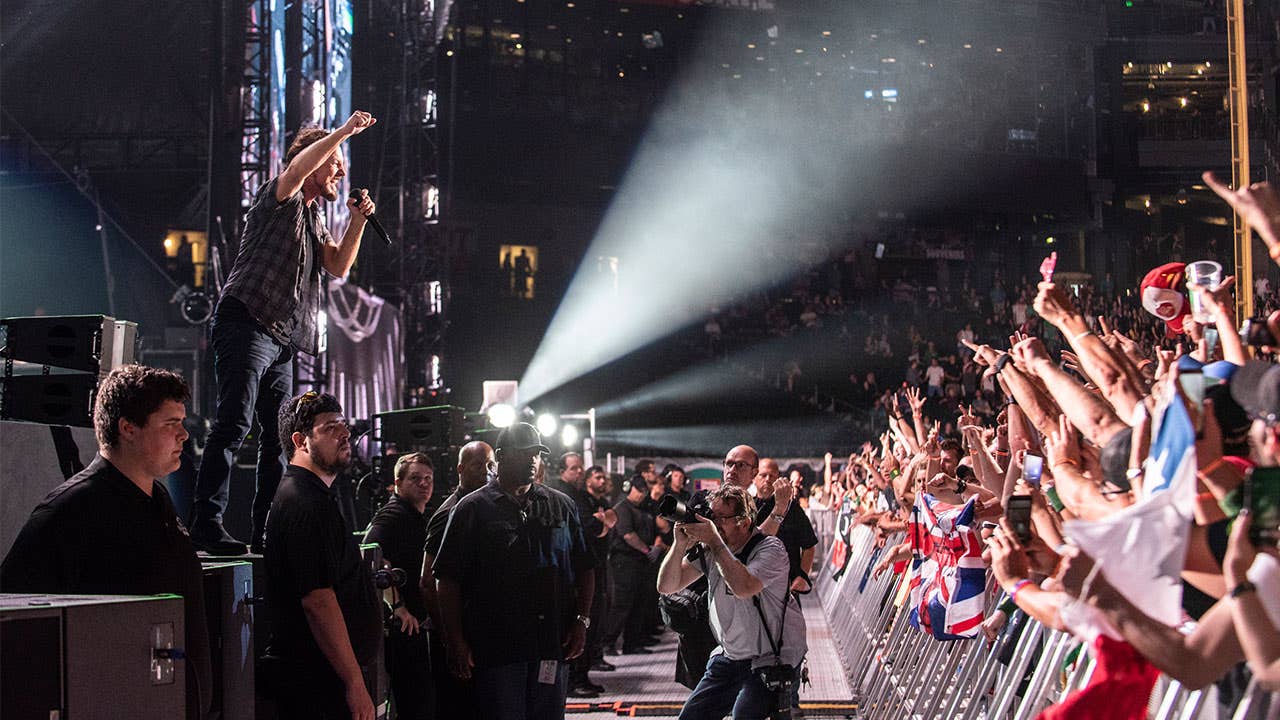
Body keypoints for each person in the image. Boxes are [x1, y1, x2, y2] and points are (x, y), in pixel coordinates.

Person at [189, 110, 379, 555]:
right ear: (316, 159)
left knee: (280, 442)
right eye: (336, 163)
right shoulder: (282, 194)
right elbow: (296, 169)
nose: (340, 172)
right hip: (246, 319)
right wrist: (345, 131)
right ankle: (206, 523)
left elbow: (338, 266)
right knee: (234, 421)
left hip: (281, 339)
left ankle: (265, 533)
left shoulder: (314, 220)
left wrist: (357, 221)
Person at [0, 365, 213, 720]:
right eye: (170, 423)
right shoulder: (70, 510)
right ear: (128, 428)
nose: (183, 436)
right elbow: (17, 619)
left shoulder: (156, 498)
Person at [432, 423, 596, 720]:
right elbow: (447, 580)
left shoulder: (561, 505)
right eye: (524, 454)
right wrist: (455, 641)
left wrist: (582, 621)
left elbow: (586, 568)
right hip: (498, 649)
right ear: (501, 456)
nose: (532, 461)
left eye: (535, 454)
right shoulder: (472, 509)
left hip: (550, 644)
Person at [263, 391, 382, 720]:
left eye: (343, 424)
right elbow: (318, 600)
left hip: (324, 682)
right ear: (301, 440)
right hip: (318, 688)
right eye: (331, 427)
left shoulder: (312, 496)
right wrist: (355, 683)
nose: (345, 434)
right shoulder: (305, 503)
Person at [657, 483, 807, 720]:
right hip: (732, 654)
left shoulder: (771, 549)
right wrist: (679, 545)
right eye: (711, 517)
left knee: (744, 715)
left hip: (769, 658)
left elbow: (744, 587)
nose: (714, 525)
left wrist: (715, 542)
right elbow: (666, 586)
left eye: (720, 518)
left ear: (744, 522)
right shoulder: (712, 549)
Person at [420, 441, 494, 718]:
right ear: (461, 469)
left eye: (490, 465)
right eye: (479, 466)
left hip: (474, 631)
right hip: (453, 636)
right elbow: (428, 582)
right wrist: (452, 641)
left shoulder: (481, 507)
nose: (486, 472)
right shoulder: (449, 513)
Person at [362, 452, 436, 719]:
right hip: (403, 632)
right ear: (398, 482)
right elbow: (369, 554)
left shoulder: (416, 517)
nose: (424, 484)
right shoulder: (392, 516)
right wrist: (398, 605)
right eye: (415, 478)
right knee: (416, 706)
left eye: (428, 478)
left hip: (416, 629)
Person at [605, 474, 666, 656]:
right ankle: (608, 643)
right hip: (625, 561)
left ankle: (632, 643)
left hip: (641, 562)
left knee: (639, 603)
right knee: (622, 605)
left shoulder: (645, 508)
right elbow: (628, 535)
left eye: (644, 491)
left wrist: (655, 546)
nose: (641, 494)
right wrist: (647, 551)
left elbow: (659, 528)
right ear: (630, 489)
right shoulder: (622, 508)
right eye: (638, 491)